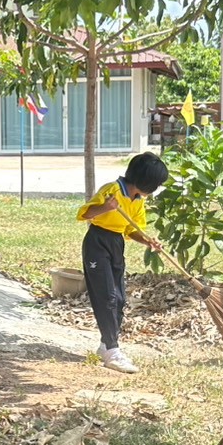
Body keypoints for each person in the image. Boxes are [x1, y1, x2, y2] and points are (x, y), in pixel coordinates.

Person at [75, 153, 168, 374]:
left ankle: (106, 344)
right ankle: (112, 350)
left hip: (116, 244)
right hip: (98, 242)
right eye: (155, 184)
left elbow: (130, 229)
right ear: (146, 181)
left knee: (119, 298)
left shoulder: (138, 201)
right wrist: (106, 207)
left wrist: (146, 240)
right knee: (106, 296)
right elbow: (85, 214)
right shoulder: (112, 191)